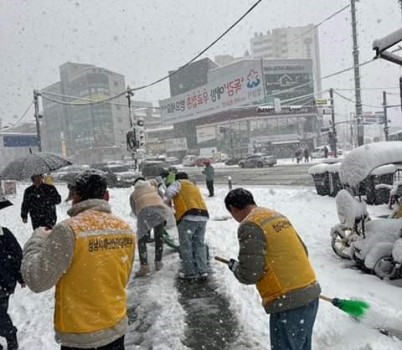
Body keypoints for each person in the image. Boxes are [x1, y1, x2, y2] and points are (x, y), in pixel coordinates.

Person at [22, 170, 136, 350]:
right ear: (106, 195)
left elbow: (36, 280)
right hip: (115, 328)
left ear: (75, 196)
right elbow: (123, 277)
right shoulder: (125, 229)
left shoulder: (68, 231)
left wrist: (37, 241)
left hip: (80, 335)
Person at [224, 188, 321, 350]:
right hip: (310, 292)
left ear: (233, 209)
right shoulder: (275, 216)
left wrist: (236, 269)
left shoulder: (250, 225)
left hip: (287, 300)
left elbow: (250, 274)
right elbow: (303, 250)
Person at [164, 172, 209, 280]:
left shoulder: (178, 183)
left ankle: (190, 273)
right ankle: (202, 271)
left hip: (188, 216)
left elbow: (168, 192)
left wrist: (167, 204)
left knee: (186, 245)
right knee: (199, 244)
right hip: (203, 215)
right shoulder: (193, 185)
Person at [129, 177, 176, 277]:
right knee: (159, 237)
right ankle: (158, 262)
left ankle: (144, 266)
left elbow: (134, 210)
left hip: (144, 213)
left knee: (141, 239)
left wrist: (143, 222)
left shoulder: (133, 194)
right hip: (159, 212)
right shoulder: (153, 188)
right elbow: (163, 198)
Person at [0, 216, 24, 350]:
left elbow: (16, 255)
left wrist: (21, 276)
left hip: (3, 282)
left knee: (0, 313)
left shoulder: (4, 234)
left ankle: (10, 335)